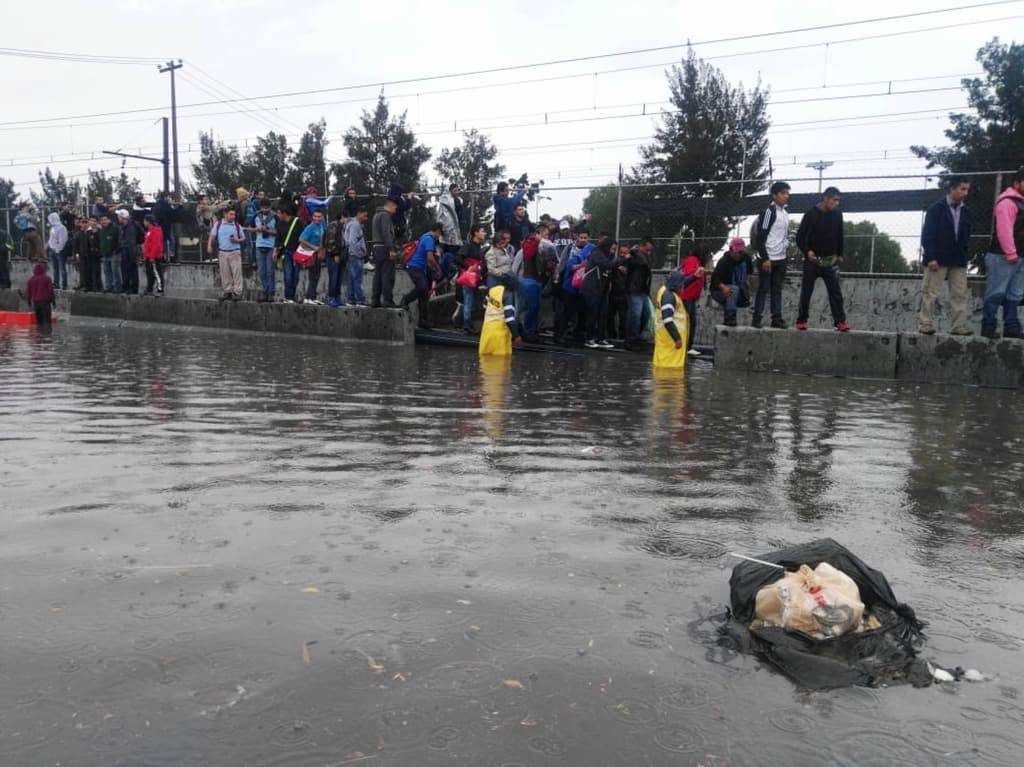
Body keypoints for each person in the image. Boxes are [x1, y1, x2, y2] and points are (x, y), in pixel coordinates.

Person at [796, 186, 850, 332]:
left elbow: (840, 234)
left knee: (835, 293)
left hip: (830, 261)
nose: (837, 203)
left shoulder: (838, 215)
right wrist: (807, 251)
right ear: (825, 199)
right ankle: (802, 320)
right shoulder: (811, 214)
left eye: (838, 200)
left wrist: (840, 253)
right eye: (834, 200)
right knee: (806, 292)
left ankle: (840, 322)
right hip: (812, 261)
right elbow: (800, 237)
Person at [981, 168, 1024, 339]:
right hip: (1003, 256)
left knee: (1016, 293)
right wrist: (1011, 252)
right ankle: (988, 326)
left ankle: (1012, 327)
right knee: (996, 292)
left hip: (1020, 255)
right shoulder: (1008, 202)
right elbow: (1004, 230)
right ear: (1017, 183)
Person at [752, 180, 791, 329]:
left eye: (787, 193)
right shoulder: (769, 212)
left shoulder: (785, 213)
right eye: (783, 193)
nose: (786, 196)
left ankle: (777, 318)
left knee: (777, 289)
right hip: (768, 258)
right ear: (774, 195)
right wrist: (765, 258)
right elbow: (761, 236)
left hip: (781, 258)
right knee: (763, 288)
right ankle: (757, 318)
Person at [654, 269, 703, 370]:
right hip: (671, 343)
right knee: (669, 373)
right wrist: (677, 338)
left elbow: (680, 282)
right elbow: (667, 319)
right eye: (681, 285)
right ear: (676, 285)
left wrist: (694, 276)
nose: (683, 287)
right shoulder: (669, 297)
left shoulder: (666, 290)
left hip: (668, 342)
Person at [579, 235, 619, 349]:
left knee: (602, 314)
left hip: (603, 289)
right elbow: (607, 265)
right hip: (592, 288)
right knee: (593, 314)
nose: (613, 251)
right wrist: (622, 260)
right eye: (612, 249)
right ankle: (589, 338)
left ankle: (601, 338)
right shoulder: (596, 253)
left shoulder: (608, 256)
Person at [401, 223, 442, 328]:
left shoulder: (424, 237)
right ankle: (405, 300)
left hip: (420, 268)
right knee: (422, 287)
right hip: (414, 266)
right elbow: (430, 258)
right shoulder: (429, 239)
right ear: (437, 231)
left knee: (424, 294)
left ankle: (423, 320)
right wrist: (438, 270)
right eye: (440, 233)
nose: (440, 236)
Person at [710, 238, 754, 326]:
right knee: (733, 289)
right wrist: (723, 288)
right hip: (720, 292)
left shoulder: (746, 259)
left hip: (739, 293)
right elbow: (715, 279)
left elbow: (749, 274)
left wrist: (747, 285)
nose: (738, 255)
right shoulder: (724, 262)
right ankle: (730, 318)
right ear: (731, 250)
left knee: (737, 290)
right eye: (736, 252)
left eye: (740, 252)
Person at [454, 224, 487, 333]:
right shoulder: (468, 246)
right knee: (468, 301)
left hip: (475, 278)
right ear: (476, 233)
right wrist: (468, 267)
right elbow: (458, 258)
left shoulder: (479, 248)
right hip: (469, 278)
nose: (484, 233)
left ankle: (467, 324)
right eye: (482, 231)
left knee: (471, 302)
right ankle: (467, 325)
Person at [207, 208, 245, 301]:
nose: (233, 216)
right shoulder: (218, 224)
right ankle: (227, 291)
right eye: (231, 214)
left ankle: (237, 292)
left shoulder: (236, 225)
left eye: (234, 214)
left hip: (234, 251)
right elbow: (212, 236)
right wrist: (209, 246)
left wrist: (237, 240)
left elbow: (243, 238)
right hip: (223, 251)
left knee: (237, 273)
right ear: (225, 214)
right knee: (225, 273)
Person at [622, 237, 654, 350]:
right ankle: (630, 340)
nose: (648, 252)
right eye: (647, 249)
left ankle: (634, 337)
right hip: (634, 290)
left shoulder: (643, 256)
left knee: (646, 314)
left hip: (642, 291)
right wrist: (634, 251)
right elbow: (636, 261)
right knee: (635, 315)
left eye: (650, 250)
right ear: (641, 246)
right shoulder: (635, 256)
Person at [478, 281, 522, 356]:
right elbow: (509, 319)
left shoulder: (492, 290)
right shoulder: (508, 295)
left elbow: (484, 306)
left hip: (487, 331)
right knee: (501, 362)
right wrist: (516, 335)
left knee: (485, 359)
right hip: (500, 334)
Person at [371, 198, 398, 308]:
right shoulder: (385, 216)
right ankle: (388, 300)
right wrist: (391, 249)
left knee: (378, 275)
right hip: (384, 247)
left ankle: (375, 300)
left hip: (376, 247)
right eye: (395, 208)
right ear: (390, 206)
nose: (395, 211)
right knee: (387, 275)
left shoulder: (376, 215)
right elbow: (386, 233)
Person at [294, 209, 326, 305]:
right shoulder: (310, 227)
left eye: (319, 216)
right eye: (315, 216)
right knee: (312, 276)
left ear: (322, 217)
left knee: (316, 275)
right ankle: (308, 297)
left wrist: (321, 251)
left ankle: (313, 296)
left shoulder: (320, 227)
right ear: (312, 217)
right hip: (311, 254)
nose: (317, 218)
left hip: (317, 254)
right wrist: (313, 247)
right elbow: (301, 239)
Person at [680, 246, 707, 354]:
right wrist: (697, 271)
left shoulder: (698, 262)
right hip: (687, 297)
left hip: (691, 297)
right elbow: (688, 274)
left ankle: (688, 346)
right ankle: (686, 347)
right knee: (688, 322)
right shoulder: (692, 260)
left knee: (691, 322)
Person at [274, 206, 304, 304]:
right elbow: (278, 239)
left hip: (297, 253)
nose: (278, 215)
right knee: (287, 275)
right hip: (286, 253)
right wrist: (275, 251)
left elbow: (303, 236)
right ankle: (288, 296)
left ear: (284, 213)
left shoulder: (298, 222)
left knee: (295, 276)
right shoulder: (279, 225)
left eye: (279, 213)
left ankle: (292, 294)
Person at [252, 198, 277, 302]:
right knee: (261, 271)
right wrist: (257, 229)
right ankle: (264, 291)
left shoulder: (275, 217)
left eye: (267, 208)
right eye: (262, 208)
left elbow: (277, 232)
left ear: (270, 207)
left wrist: (267, 230)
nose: (264, 209)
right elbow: (251, 227)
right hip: (259, 245)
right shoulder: (256, 216)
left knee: (270, 271)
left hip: (270, 246)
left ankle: (271, 291)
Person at [344, 208, 370, 306]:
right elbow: (353, 241)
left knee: (352, 278)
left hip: (352, 254)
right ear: (359, 213)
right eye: (364, 215)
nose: (366, 218)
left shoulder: (350, 224)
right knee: (357, 278)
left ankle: (351, 299)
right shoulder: (355, 225)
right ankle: (360, 300)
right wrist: (359, 253)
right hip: (355, 255)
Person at [116, 209, 141, 295]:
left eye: (119, 216)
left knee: (131, 270)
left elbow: (131, 242)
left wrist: (132, 255)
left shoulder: (130, 228)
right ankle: (126, 286)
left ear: (123, 217)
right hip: (125, 250)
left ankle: (133, 288)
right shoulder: (124, 227)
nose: (117, 218)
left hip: (129, 252)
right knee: (125, 270)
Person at [438, 184, 464, 260]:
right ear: (450, 191)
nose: (457, 192)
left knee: (454, 246)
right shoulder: (446, 200)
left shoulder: (458, 200)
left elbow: (459, 214)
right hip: (448, 226)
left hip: (456, 227)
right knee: (447, 246)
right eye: (455, 190)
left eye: (458, 190)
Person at [25, 262, 56, 328]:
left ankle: (39, 335)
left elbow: (28, 293)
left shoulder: (31, 280)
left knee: (39, 322)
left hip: (36, 304)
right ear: (43, 270)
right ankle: (47, 336)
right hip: (45, 303)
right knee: (47, 321)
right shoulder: (47, 278)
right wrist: (53, 301)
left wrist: (29, 302)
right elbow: (51, 291)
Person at [141, 215, 165, 296]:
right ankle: (149, 289)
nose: (144, 223)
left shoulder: (156, 231)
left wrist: (152, 256)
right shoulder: (149, 231)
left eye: (145, 221)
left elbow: (156, 245)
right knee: (149, 273)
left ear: (148, 222)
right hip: (148, 256)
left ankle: (160, 290)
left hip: (154, 256)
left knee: (157, 273)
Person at [96, 214, 121, 292]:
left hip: (114, 254)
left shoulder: (115, 229)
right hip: (104, 255)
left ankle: (117, 287)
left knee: (115, 272)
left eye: (105, 219)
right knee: (107, 272)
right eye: (102, 220)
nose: (103, 221)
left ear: (109, 220)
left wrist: (116, 250)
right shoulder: (101, 230)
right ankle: (108, 286)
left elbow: (119, 241)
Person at [46, 212, 69, 290]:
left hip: (59, 251)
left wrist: (58, 250)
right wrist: (48, 246)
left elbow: (63, 240)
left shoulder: (62, 228)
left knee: (62, 268)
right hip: (52, 250)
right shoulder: (52, 228)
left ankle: (64, 284)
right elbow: (51, 239)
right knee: (55, 268)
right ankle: (56, 283)